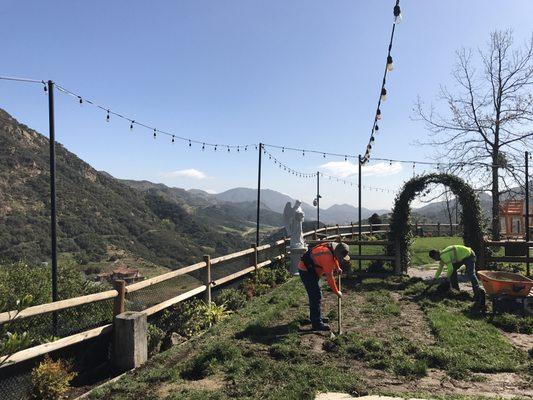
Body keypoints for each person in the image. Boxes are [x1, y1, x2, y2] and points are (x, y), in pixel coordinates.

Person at [298, 242, 348, 331]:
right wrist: (337, 292)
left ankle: (317, 317)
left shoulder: (334, 248)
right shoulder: (327, 257)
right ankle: (317, 324)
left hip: (312, 270)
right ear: (337, 252)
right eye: (340, 257)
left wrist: (337, 267)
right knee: (315, 296)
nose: (341, 259)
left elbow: (335, 257)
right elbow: (330, 278)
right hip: (306, 271)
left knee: (317, 295)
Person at [429, 245, 485, 309]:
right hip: (461, 257)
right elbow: (440, 269)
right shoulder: (442, 257)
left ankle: (477, 294)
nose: (435, 260)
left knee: (471, 274)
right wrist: (435, 278)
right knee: (453, 272)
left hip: (469, 255)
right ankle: (456, 291)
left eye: (434, 258)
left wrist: (446, 278)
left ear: (436, 254)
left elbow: (450, 269)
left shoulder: (444, 256)